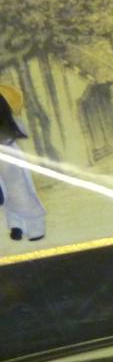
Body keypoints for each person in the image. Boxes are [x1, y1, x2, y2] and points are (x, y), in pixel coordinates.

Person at [0, 84, 47, 243]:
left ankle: (35, 228)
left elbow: (19, 128)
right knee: (6, 192)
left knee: (18, 188)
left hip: (8, 152)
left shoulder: (8, 114)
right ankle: (16, 224)